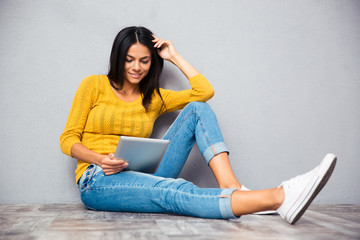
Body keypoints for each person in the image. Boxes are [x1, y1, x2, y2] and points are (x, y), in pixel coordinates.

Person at [60, 26, 336, 224]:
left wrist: (174, 56)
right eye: (129, 59)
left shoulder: (153, 97)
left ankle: (232, 187)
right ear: (118, 58)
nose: (136, 67)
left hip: (144, 171)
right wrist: (100, 159)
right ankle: (279, 196)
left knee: (197, 109)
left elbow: (203, 92)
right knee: (174, 190)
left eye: (144, 60)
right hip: (98, 179)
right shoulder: (93, 85)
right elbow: (68, 139)